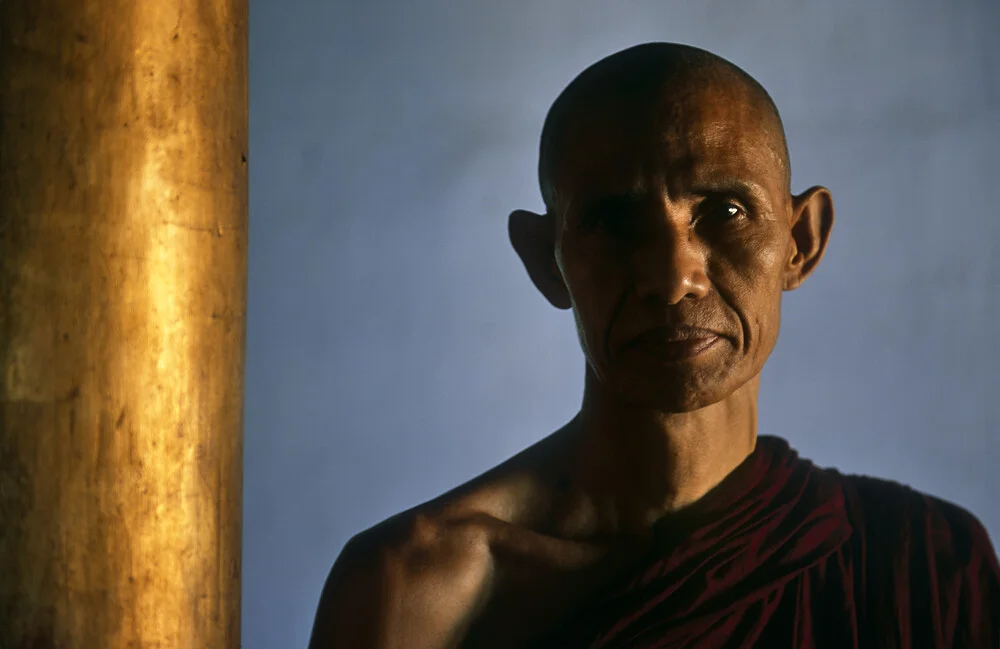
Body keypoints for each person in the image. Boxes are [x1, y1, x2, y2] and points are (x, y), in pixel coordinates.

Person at [307, 42, 1000, 648]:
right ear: (548, 261)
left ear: (800, 241)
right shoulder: (414, 589)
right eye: (612, 219)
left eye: (724, 212)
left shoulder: (922, 563)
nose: (673, 279)